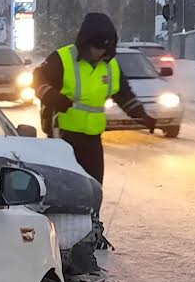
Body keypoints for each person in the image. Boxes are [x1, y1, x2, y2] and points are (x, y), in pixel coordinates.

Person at [32, 12, 155, 183]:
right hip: (63, 136)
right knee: (65, 187)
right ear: (85, 42)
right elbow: (38, 79)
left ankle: (93, 211)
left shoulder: (110, 66)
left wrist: (141, 115)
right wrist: (52, 97)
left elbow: (123, 95)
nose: (99, 52)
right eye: (95, 47)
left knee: (93, 187)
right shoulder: (62, 58)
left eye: (103, 48)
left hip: (92, 139)